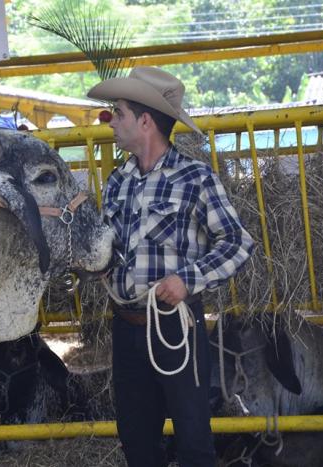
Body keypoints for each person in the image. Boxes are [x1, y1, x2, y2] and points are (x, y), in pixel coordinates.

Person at [87, 67, 254, 467]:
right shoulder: (117, 181)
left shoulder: (194, 178)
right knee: (137, 443)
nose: (111, 122)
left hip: (176, 327)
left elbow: (237, 242)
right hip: (126, 328)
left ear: (145, 121)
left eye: (119, 113)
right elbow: (111, 246)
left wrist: (188, 280)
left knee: (194, 442)